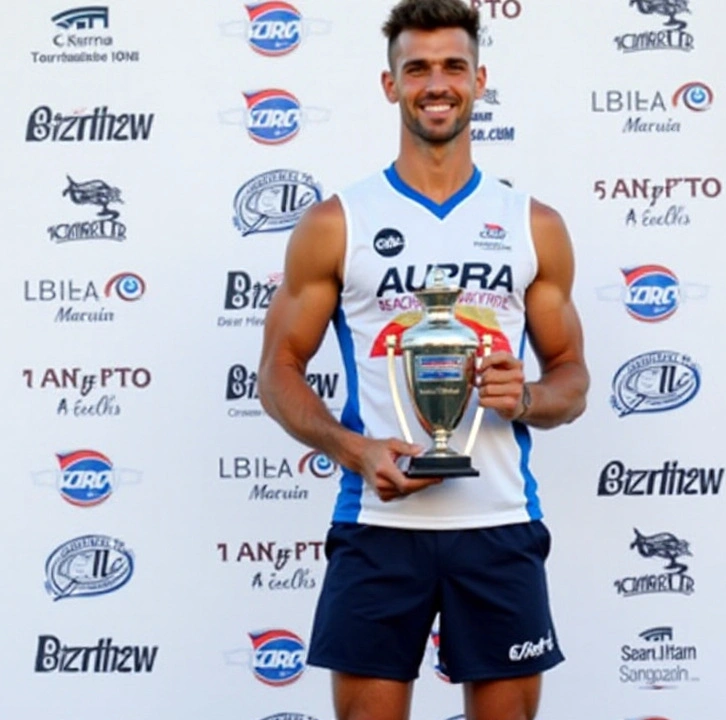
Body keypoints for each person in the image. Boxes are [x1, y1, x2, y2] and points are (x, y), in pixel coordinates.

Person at [257, 0, 589, 718]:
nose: (435, 83)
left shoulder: (533, 224)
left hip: (498, 521)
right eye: (417, 69)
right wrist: (353, 448)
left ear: (478, 81)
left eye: (452, 67)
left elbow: (572, 377)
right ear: (390, 85)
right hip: (380, 527)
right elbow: (278, 370)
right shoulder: (334, 222)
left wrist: (526, 397)